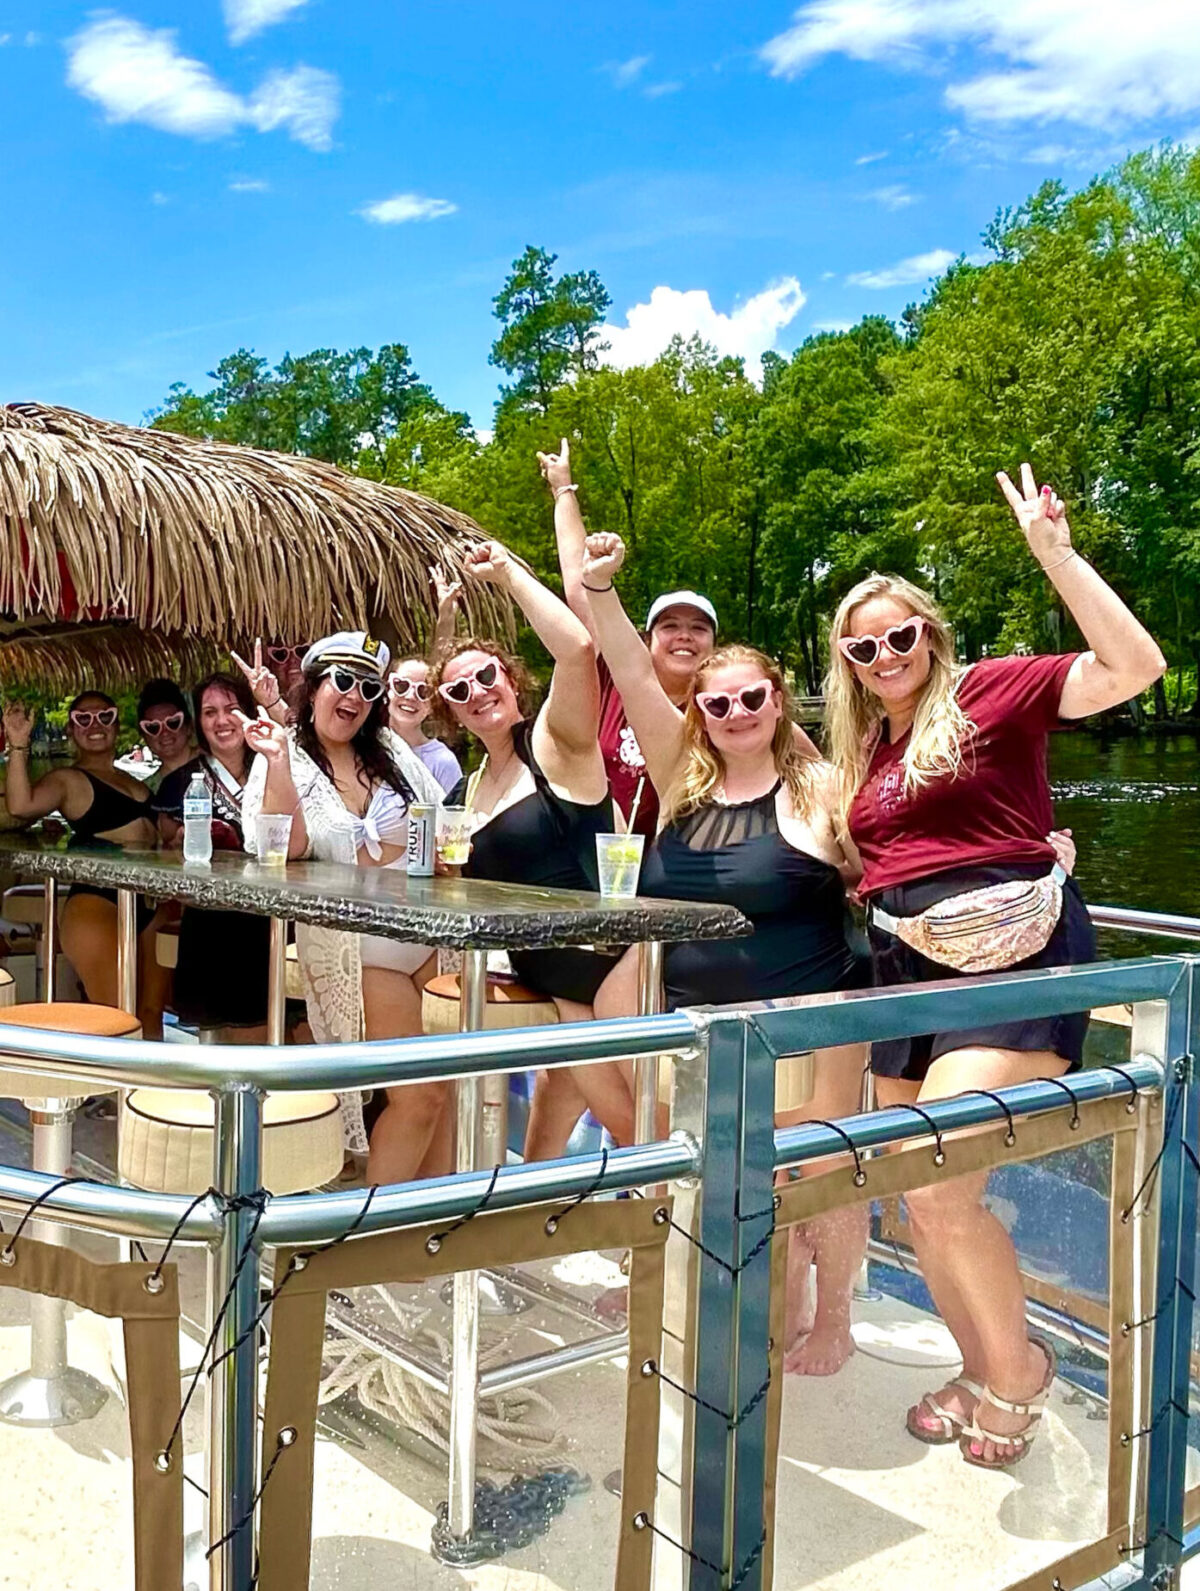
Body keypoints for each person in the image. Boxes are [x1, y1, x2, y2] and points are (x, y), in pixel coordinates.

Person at [825, 464, 1166, 1465]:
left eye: (902, 635)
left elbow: (1134, 666)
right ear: (844, 660)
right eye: (863, 644)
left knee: (939, 1186)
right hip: (900, 969)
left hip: (1012, 966)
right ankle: (979, 1366)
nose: (886, 654)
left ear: (930, 635)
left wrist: (1056, 554)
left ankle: (1017, 1371)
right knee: (905, 1185)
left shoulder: (988, 691)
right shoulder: (865, 750)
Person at [578, 530, 871, 1375]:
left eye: (752, 699)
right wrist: (600, 590)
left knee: (816, 1173)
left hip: (805, 1018)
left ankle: (835, 1316)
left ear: (778, 701)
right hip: (694, 1023)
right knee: (693, 1169)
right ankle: (690, 1285)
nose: (736, 714)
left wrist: (1041, 852)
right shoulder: (681, 778)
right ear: (698, 713)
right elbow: (632, 671)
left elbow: (894, 847)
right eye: (718, 704)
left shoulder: (820, 788)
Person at [431, 539, 636, 1156]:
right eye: (458, 692)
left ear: (511, 679)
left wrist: (508, 573)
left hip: (604, 965)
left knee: (640, 1129)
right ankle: (534, 1223)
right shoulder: (466, 794)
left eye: (486, 676)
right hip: (544, 975)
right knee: (553, 1110)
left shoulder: (552, 743)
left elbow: (577, 648)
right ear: (451, 713)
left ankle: (670, 1244)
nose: (477, 693)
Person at [240, 632, 449, 1183]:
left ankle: (428, 1235)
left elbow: (441, 822)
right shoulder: (283, 754)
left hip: (428, 930)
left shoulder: (393, 753)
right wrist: (281, 763)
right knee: (419, 1094)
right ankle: (372, 1234)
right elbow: (283, 847)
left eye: (367, 686)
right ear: (312, 690)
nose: (354, 694)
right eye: (342, 680)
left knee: (450, 1088)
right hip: (358, 945)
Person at [538, 437, 819, 835]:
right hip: (594, 862)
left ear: (714, 646)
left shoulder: (734, 710)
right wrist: (563, 489)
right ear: (646, 639)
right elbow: (579, 587)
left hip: (680, 871)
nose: (684, 636)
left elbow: (818, 772)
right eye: (670, 626)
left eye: (698, 628)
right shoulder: (614, 684)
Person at [1, 692, 164, 1034]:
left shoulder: (134, 781)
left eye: (104, 716)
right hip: (97, 903)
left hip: (147, 904)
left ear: (117, 725)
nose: (95, 726)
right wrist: (18, 744)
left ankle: (145, 1089)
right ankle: (111, 1089)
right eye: (83, 719)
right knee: (119, 1017)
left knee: (150, 1014)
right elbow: (21, 805)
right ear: (72, 730)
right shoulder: (68, 780)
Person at [155, 672, 271, 1040]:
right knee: (220, 1042)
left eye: (232, 709)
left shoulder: (277, 770)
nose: (222, 721)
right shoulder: (181, 783)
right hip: (211, 925)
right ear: (199, 724)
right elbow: (166, 853)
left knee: (283, 1030)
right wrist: (180, 843)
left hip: (274, 920)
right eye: (209, 712)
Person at [388, 658, 462, 794]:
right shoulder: (364, 748)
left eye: (423, 692)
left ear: (432, 705)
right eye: (401, 686)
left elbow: (453, 814)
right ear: (388, 690)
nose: (410, 696)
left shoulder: (443, 762)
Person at [136, 679, 195, 784]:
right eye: (153, 727)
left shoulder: (219, 767)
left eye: (173, 723)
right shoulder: (147, 792)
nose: (164, 732)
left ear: (189, 727)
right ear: (144, 736)